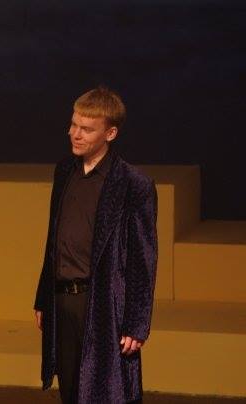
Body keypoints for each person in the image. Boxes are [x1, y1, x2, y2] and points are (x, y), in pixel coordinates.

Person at [33, 87, 158, 403]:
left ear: (110, 133)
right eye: (73, 125)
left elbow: (143, 258)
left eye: (86, 129)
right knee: (71, 389)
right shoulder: (65, 170)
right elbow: (54, 239)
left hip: (103, 303)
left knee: (106, 393)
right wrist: (44, 297)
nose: (75, 134)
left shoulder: (133, 184)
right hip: (63, 299)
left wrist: (137, 322)